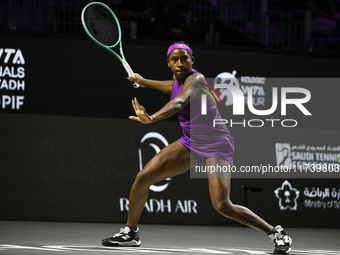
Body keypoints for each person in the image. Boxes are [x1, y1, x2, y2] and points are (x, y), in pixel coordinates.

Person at [101, 42, 293, 254]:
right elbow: (171, 87)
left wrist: (152, 118)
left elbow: (178, 102)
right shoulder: (177, 79)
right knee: (143, 177)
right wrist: (144, 82)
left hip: (216, 145)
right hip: (191, 143)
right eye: (175, 60)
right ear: (168, 63)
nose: (180, 63)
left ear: (192, 61)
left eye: (185, 59)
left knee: (222, 205)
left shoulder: (197, 79)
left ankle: (275, 232)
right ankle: (131, 232)